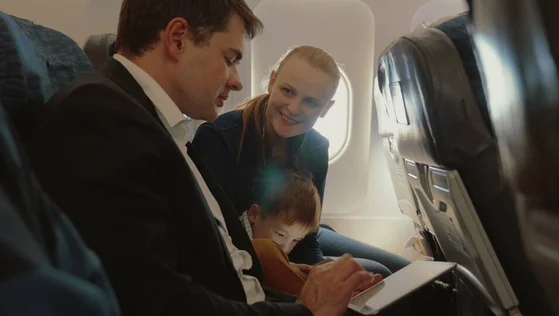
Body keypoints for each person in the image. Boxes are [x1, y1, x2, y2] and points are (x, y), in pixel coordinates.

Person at [23, 0, 379, 315]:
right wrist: (307, 311)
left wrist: (309, 288)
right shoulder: (101, 120)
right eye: (230, 59)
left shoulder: (160, 127)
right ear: (177, 39)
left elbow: (227, 267)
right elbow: (158, 302)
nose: (237, 82)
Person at [192, 45, 411, 277]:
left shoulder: (317, 148)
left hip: (295, 238)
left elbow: (307, 237)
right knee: (377, 274)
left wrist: (317, 271)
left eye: (311, 102)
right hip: (251, 250)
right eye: (287, 91)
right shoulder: (219, 139)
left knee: (401, 272)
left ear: (326, 108)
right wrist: (297, 277)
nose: (294, 108)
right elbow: (220, 242)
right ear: (272, 82)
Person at [240, 168, 383, 297]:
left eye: (296, 241)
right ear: (254, 214)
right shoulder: (237, 238)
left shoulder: (267, 230)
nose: (285, 248)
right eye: (280, 235)